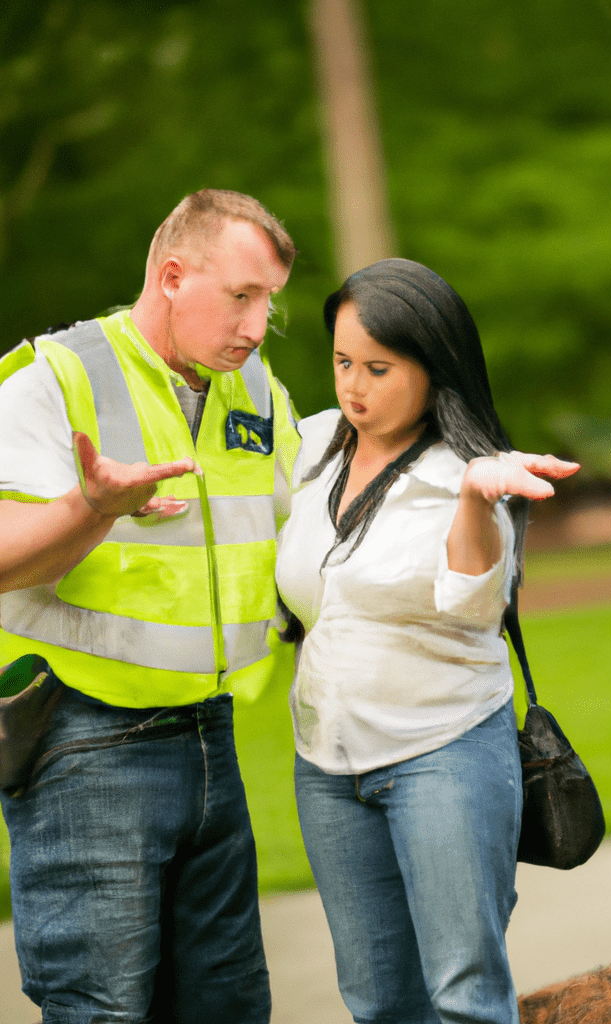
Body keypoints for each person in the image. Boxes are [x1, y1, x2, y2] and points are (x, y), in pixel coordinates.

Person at [0, 189, 301, 1024]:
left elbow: (302, 525)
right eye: (242, 296)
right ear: (173, 277)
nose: (256, 324)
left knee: (226, 1005)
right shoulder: (53, 378)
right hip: (85, 746)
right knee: (103, 1009)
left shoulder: (254, 390)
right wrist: (90, 509)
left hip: (211, 738)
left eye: (268, 302)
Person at [276, 258, 578, 1024]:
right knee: (378, 1001)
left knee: (463, 995)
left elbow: (474, 607)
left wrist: (477, 503)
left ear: (433, 365)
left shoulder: (472, 471)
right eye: (343, 362)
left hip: (442, 752)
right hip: (326, 764)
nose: (354, 386)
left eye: (379, 368)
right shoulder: (311, 450)